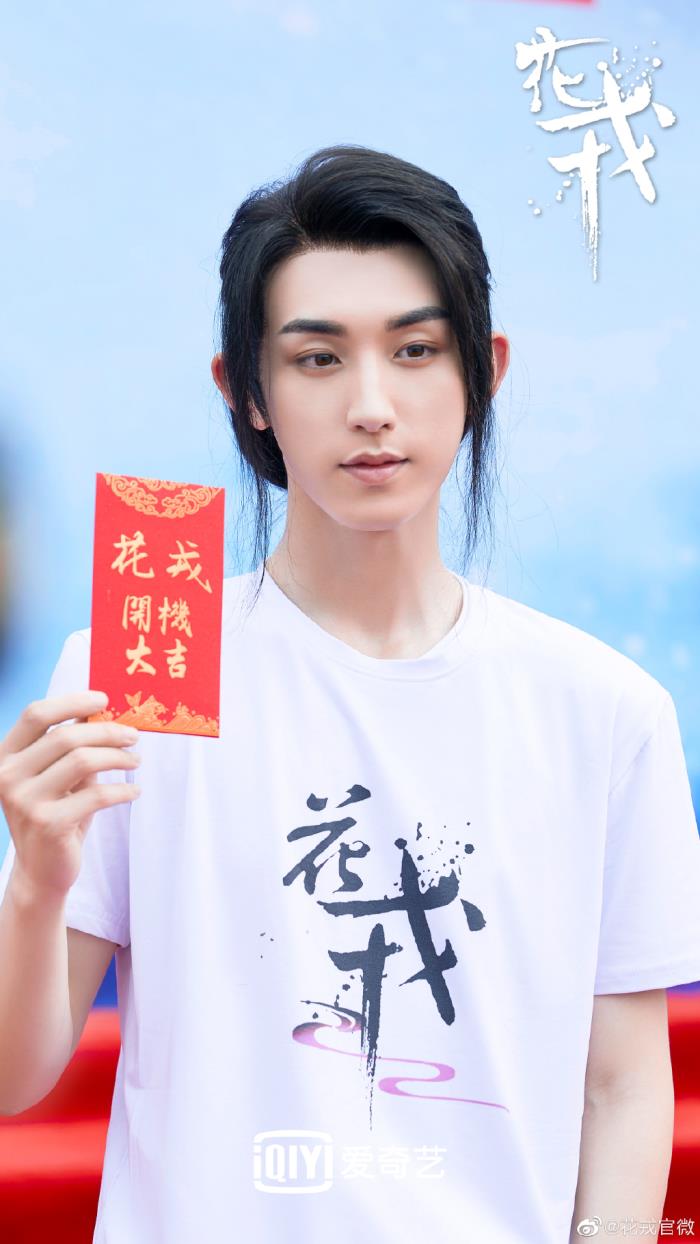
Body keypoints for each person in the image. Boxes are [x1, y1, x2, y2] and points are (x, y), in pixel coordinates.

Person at [1, 143, 699, 1244]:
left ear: (484, 370)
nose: (373, 406)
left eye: (416, 350)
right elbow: (17, 1079)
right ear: (246, 391)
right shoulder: (142, 670)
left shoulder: (602, 709)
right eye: (318, 359)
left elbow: (621, 1087)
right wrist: (38, 883)